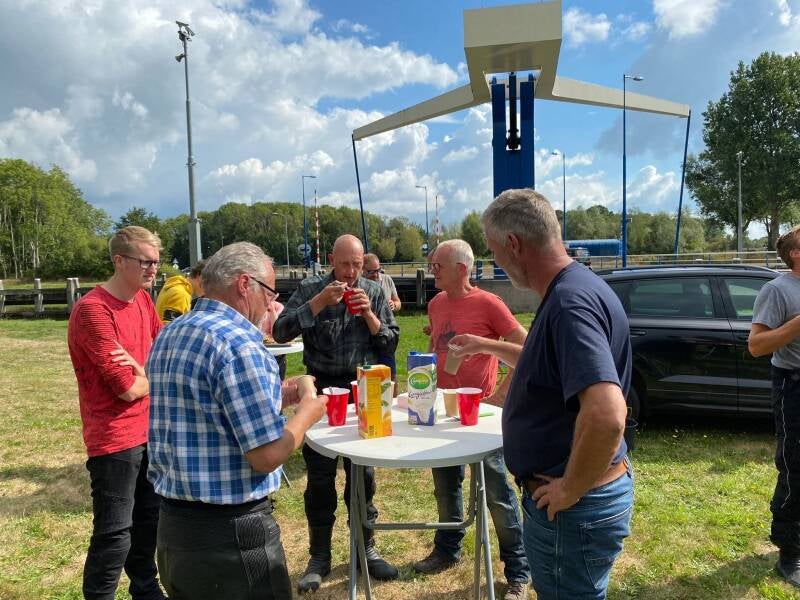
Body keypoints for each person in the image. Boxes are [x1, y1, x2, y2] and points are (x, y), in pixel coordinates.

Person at [456, 189, 632, 600]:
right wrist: (486, 346)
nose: (496, 260)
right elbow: (545, 360)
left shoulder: (569, 304)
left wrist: (570, 488)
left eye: (494, 250)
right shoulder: (577, 286)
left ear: (513, 244)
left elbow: (607, 415)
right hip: (583, 501)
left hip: (573, 508)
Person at [146, 242, 328, 599]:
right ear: (245, 284)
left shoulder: (172, 332)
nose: (271, 305)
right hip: (232, 536)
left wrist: (280, 394)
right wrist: (307, 414)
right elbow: (266, 456)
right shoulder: (241, 346)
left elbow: (210, 406)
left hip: (173, 531)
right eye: (270, 293)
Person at [273, 234, 400, 593]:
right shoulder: (311, 288)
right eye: (344, 264)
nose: (350, 272)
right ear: (331, 260)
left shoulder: (373, 291)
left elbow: (390, 342)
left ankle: (366, 548)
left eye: (357, 265)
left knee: (364, 476)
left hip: (364, 390)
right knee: (320, 477)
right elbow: (280, 332)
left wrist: (370, 315)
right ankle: (319, 556)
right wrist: (316, 304)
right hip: (323, 391)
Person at [413, 239, 531, 600]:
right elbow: (437, 347)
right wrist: (421, 388)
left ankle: (519, 570)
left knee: (497, 494)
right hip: (443, 412)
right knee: (445, 486)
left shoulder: (489, 303)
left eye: (438, 265)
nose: (432, 270)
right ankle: (447, 549)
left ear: (462, 268)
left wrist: (500, 397)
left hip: (480, 417)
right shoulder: (436, 303)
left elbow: (526, 349)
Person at [67, 226, 166, 600]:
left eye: (156, 262)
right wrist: (147, 375)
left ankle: (146, 589)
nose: (153, 269)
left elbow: (161, 354)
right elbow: (127, 389)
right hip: (114, 438)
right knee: (114, 533)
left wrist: (145, 372)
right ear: (119, 261)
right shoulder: (93, 311)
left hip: (148, 430)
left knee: (149, 521)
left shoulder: (142, 300)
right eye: (145, 261)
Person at [748, 225, 800, 587]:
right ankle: (789, 553)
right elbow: (756, 345)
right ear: (796, 254)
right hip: (793, 386)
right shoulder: (777, 290)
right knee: (795, 469)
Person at [363, 252, 401, 377]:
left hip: (385, 334)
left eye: (378, 270)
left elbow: (398, 302)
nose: (376, 275)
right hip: (367, 337)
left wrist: (394, 305)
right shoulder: (359, 284)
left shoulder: (387, 279)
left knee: (389, 376)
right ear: (362, 269)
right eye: (372, 272)